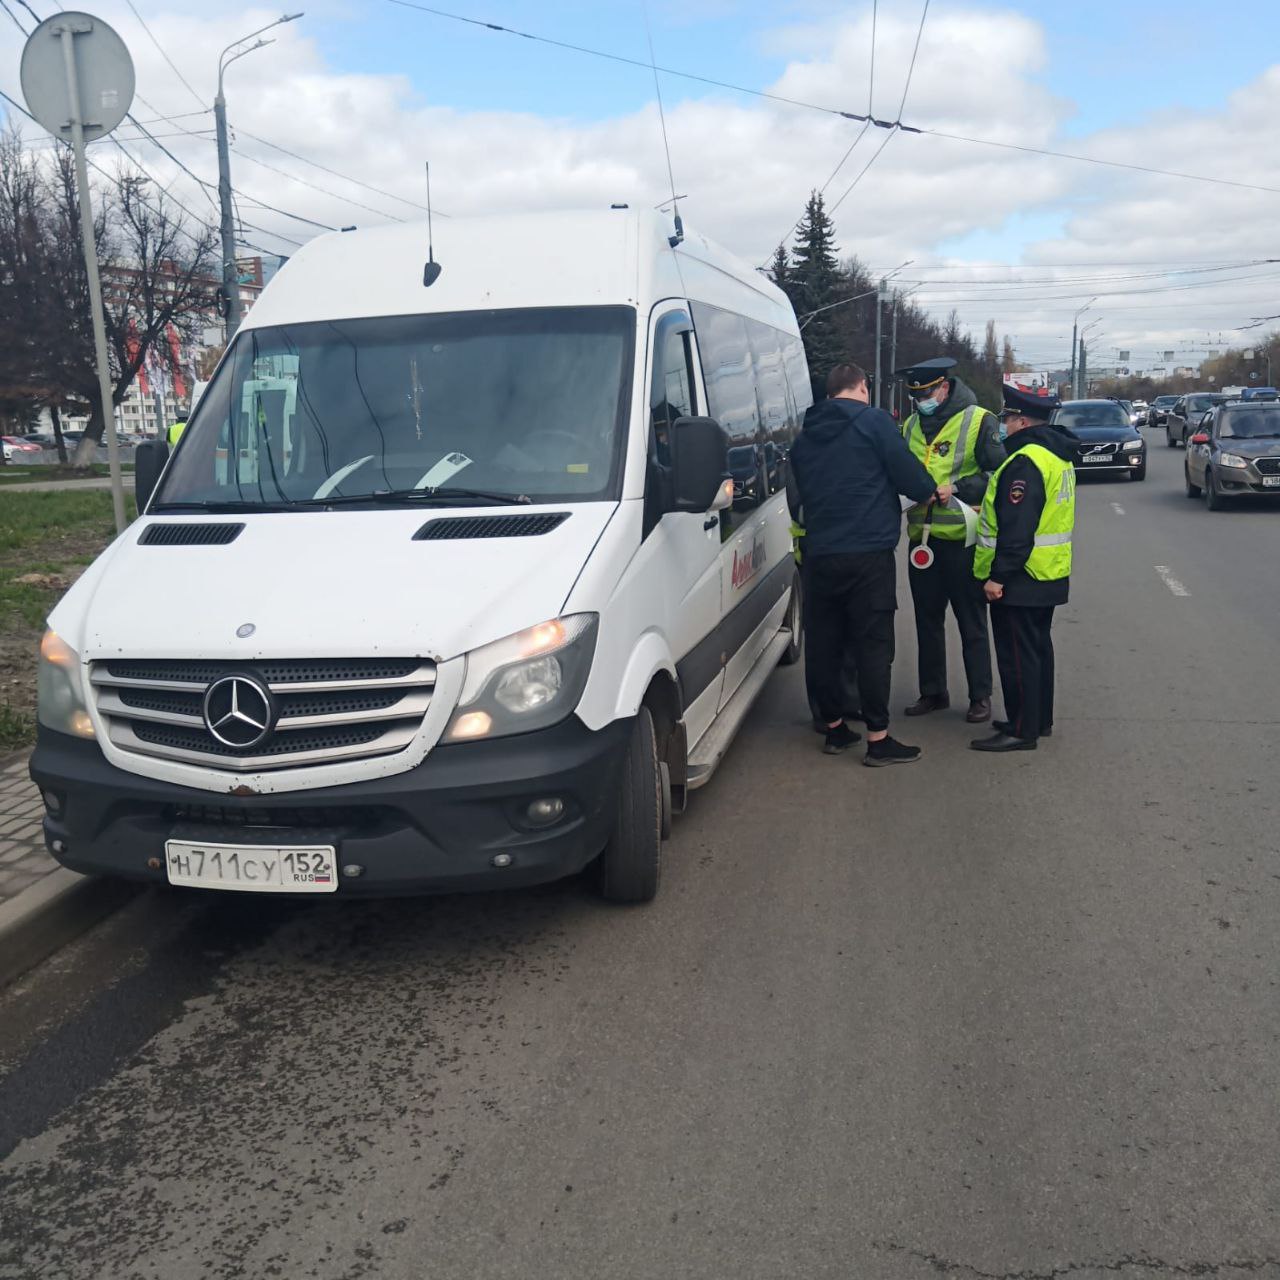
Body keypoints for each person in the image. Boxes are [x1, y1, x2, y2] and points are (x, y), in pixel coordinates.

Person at [789, 362, 943, 767]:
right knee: (873, 645)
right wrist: (930, 491)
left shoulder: (804, 438)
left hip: (820, 553)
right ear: (862, 387)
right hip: (867, 555)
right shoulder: (874, 423)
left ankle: (835, 729)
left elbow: (801, 493)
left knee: (825, 644)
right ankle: (879, 738)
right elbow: (912, 479)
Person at [895, 357, 1006, 725]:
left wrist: (955, 488)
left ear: (945, 387)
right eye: (916, 395)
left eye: (926, 393)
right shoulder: (910, 424)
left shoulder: (978, 420)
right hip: (921, 538)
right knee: (927, 620)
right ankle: (933, 691)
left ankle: (980, 696)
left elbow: (997, 473)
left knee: (970, 619)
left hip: (963, 538)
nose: (921, 400)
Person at [970, 384, 1076, 753]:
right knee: (1038, 650)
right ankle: (1038, 719)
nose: (1004, 427)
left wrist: (998, 577)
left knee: (1017, 656)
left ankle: (1020, 729)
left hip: (1022, 578)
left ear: (1022, 420)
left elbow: (1017, 529)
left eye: (1008, 420)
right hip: (1048, 573)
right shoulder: (1056, 455)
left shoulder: (1025, 461)